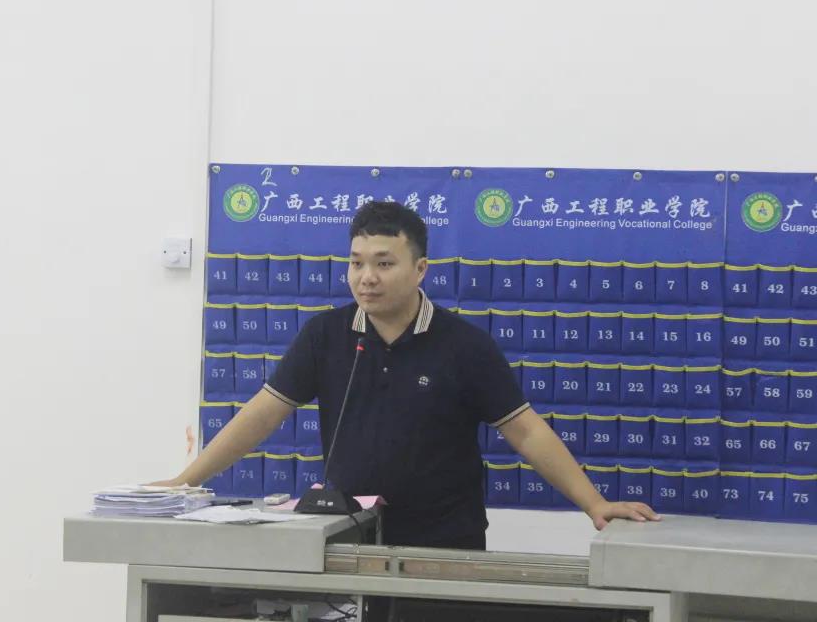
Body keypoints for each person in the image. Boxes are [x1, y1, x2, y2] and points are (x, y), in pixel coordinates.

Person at [154, 201, 659, 550]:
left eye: (383, 263)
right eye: (356, 263)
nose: (366, 277)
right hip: (346, 536)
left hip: (445, 543)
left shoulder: (464, 346)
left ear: (420, 270)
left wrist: (594, 503)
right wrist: (184, 482)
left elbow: (525, 431)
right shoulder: (325, 335)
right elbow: (263, 415)